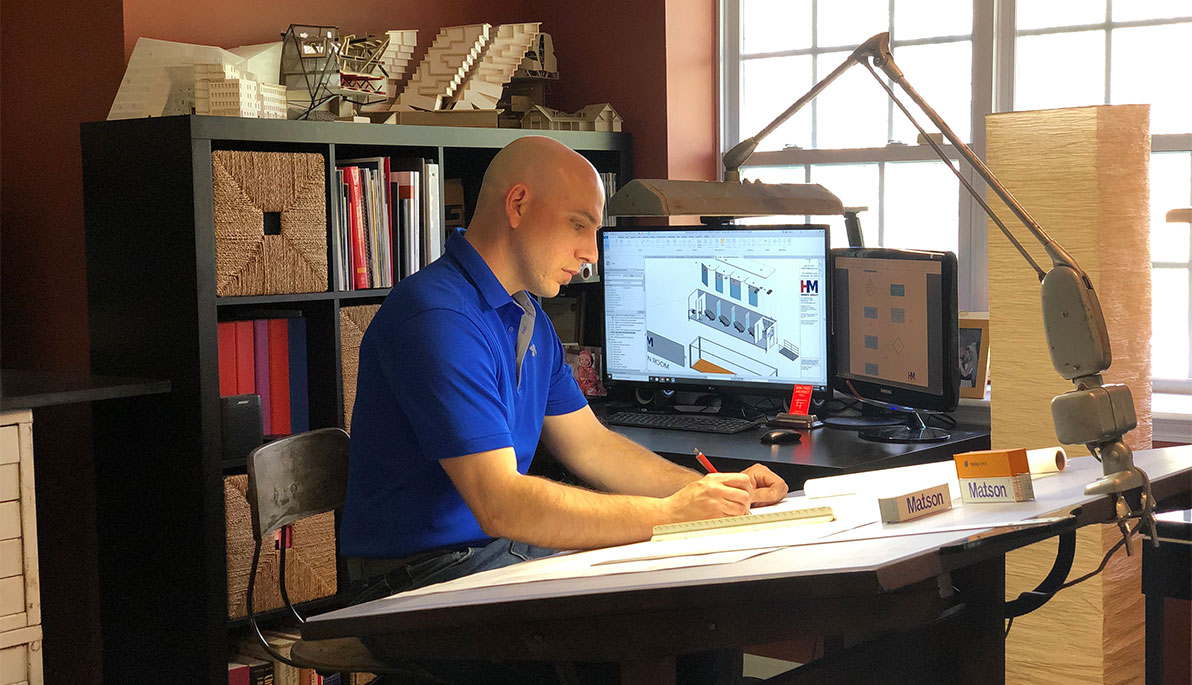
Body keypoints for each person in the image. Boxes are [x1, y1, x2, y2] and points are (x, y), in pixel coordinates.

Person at [340, 136, 789, 682]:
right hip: (415, 580)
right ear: (519, 205)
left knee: (704, 608)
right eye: (580, 224)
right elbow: (501, 502)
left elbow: (592, 446)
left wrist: (712, 494)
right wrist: (672, 516)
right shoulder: (437, 318)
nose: (592, 252)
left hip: (487, 555)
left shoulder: (526, 316)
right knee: (655, 625)